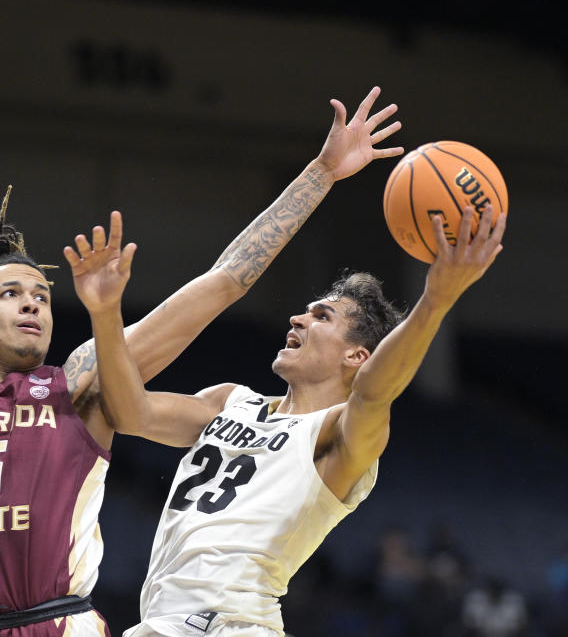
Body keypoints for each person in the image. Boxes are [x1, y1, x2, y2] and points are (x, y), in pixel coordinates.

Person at [0, 16, 403, 637]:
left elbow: (225, 280)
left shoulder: (81, 385)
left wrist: (321, 174)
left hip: (62, 625)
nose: (32, 304)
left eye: (42, 294)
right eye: (10, 293)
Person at [68, 194, 506, 636]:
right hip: (163, 624)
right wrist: (106, 314)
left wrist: (435, 299)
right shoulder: (230, 401)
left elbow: (375, 392)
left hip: (234, 627)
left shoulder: (334, 436)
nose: (297, 318)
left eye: (321, 316)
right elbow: (128, 413)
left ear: (357, 355)